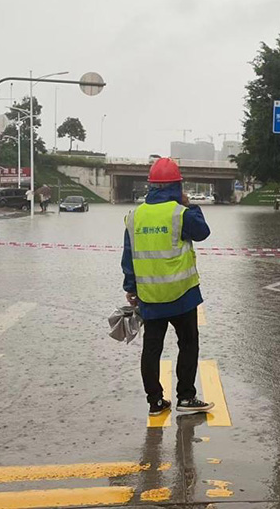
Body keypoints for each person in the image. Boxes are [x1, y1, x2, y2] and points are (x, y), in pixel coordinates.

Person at [122, 157, 214, 417]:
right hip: (182, 295)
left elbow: (128, 255)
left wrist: (131, 287)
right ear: (177, 185)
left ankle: (155, 402)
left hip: (150, 296)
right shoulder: (180, 214)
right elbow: (203, 232)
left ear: (150, 185)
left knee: (151, 349)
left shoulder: (135, 216)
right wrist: (189, 204)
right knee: (188, 344)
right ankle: (186, 397)